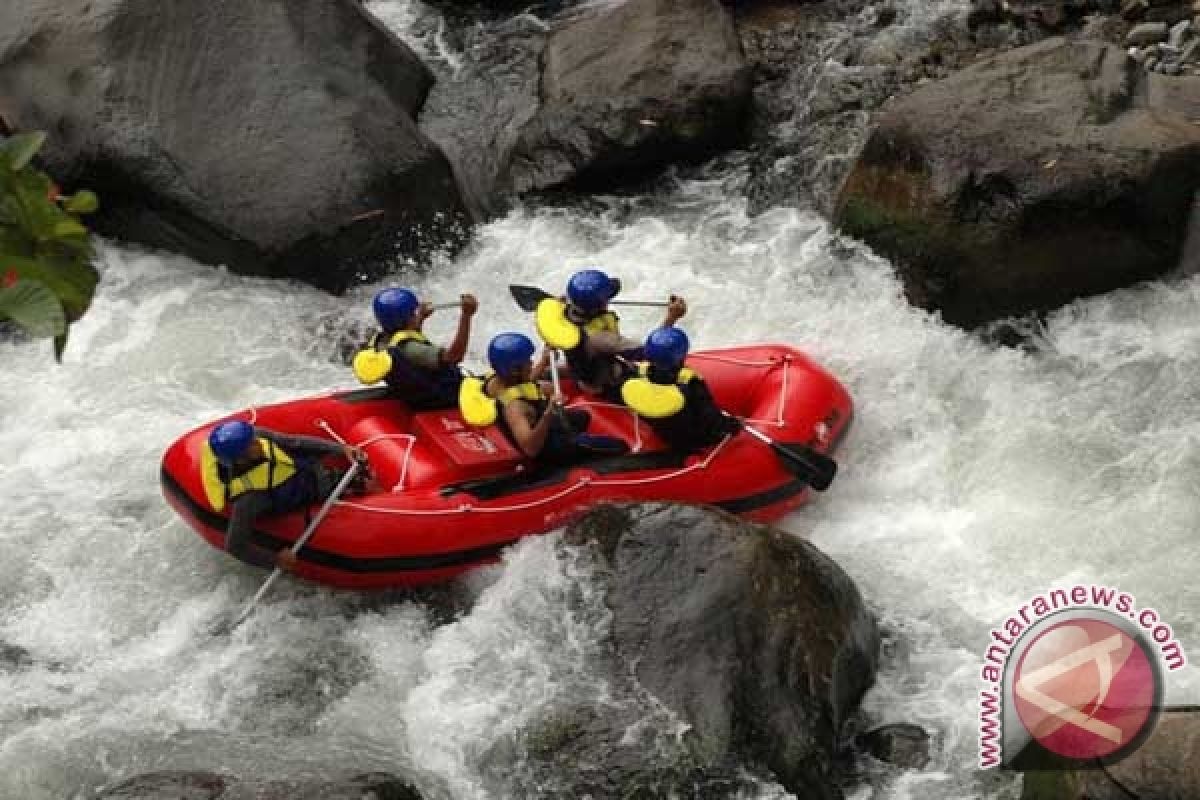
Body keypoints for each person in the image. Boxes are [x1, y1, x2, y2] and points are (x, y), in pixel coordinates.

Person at [201, 420, 368, 572]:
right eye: (251, 445)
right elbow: (234, 546)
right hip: (302, 491)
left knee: (361, 475)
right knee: (366, 486)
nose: (258, 442)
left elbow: (294, 442)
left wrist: (341, 449)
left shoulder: (256, 437)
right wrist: (274, 560)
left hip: (304, 472)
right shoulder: (247, 500)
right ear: (240, 460)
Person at [460, 332, 626, 465]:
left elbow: (523, 383)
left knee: (583, 417)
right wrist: (548, 414)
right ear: (515, 370)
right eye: (527, 362)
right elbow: (530, 449)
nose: (531, 362)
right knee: (619, 447)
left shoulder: (496, 381)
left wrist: (544, 362)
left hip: (541, 419)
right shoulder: (515, 408)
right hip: (548, 446)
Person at [551, 269, 686, 400]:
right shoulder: (601, 339)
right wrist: (672, 317)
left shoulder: (563, 313)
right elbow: (653, 351)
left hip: (585, 367)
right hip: (605, 385)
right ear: (599, 306)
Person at [353, 287, 478, 409]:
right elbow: (454, 356)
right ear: (408, 319)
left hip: (414, 394)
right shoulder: (410, 348)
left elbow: (407, 338)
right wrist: (466, 316)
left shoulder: (381, 341)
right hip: (443, 397)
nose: (417, 314)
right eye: (414, 313)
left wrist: (421, 318)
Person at [620, 327, 738, 453]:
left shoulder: (639, 374)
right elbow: (711, 419)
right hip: (694, 438)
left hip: (664, 434)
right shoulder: (690, 383)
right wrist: (733, 425)